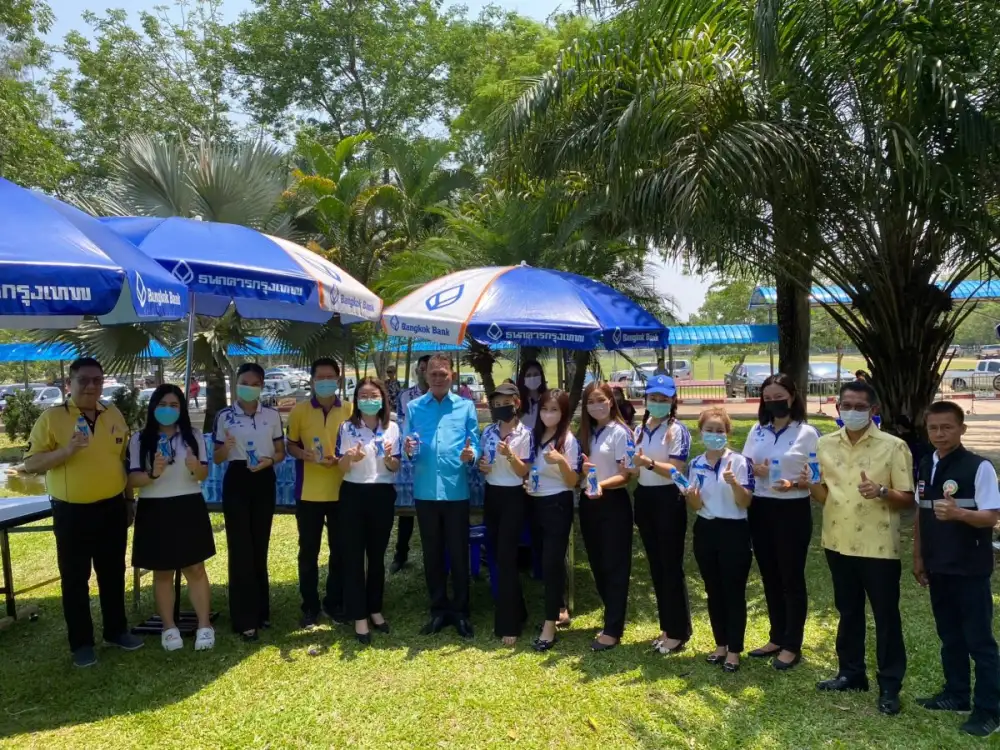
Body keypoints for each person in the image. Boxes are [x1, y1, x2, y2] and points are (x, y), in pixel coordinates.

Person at [23, 357, 143, 667]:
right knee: (75, 578)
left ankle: (116, 631)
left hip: (112, 507)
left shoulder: (113, 413)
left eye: (97, 380)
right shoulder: (52, 418)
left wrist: (128, 500)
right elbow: (32, 463)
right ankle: (81, 644)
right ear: (69, 383)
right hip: (72, 512)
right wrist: (67, 451)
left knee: (113, 572)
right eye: (83, 380)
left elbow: (123, 461)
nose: (91, 386)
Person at [804, 380, 914, 715]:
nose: (851, 411)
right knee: (848, 611)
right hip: (837, 543)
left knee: (885, 616)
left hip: (878, 548)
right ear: (838, 407)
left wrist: (881, 491)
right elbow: (825, 496)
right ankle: (851, 673)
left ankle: (889, 685)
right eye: (846, 405)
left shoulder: (894, 447)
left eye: (859, 406)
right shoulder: (824, 444)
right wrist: (810, 485)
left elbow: (907, 499)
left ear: (873, 410)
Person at [912, 401, 1000, 737]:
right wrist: (919, 558)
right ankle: (956, 694)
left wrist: (960, 514)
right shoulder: (926, 463)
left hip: (969, 568)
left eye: (947, 427)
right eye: (933, 428)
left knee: (980, 642)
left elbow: (991, 517)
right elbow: (921, 514)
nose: (939, 434)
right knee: (950, 636)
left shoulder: (979, 467)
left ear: (962, 429)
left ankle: (989, 710)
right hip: (939, 566)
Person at [127, 384, 215, 652]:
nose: (168, 410)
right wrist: (152, 473)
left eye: (174, 405)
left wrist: (195, 466)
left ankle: (204, 625)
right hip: (154, 508)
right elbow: (132, 479)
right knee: (162, 571)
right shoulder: (140, 439)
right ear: (153, 407)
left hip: (188, 505)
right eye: (163, 404)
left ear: (182, 408)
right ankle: (168, 627)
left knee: (195, 568)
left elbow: (203, 474)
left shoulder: (193, 436)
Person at [741, 373, 819, 670]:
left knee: (791, 577)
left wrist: (794, 484)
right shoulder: (757, 430)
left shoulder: (806, 433)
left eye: (779, 397)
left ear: (792, 397)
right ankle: (776, 637)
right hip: (761, 508)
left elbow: (816, 476)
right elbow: (745, 464)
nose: (773, 402)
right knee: (770, 575)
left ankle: (792, 644)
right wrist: (754, 470)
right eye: (768, 398)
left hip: (792, 510)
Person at [403, 354, 480, 638]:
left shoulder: (465, 406)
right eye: (433, 374)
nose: (437, 378)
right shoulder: (413, 408)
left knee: (459, 553)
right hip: (425, 492)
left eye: (443, 374)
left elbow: (476, 443)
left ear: (452, 376)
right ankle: (438, 609)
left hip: (455, 490)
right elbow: (407, 446)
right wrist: (408, 449)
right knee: (432, 553)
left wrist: (472, 454)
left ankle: (461, 611)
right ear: (425, 376)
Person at [212, 362, 286, 642]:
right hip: (237, 479)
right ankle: (244, 618)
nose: (249, 388)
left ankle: (261, 610)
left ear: (262, 386)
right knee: (240, 548)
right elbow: (217, 457)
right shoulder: (224, 416)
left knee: (259, 546)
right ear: (236, 383)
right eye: (245, 382)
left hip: (264, 478)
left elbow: (280, 451)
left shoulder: (272, 415)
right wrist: (226, 448)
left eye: (255, 384)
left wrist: (270, 461)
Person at [684, 407, 754, 673]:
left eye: (720, 430)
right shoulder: (695, 464)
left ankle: (734, 650)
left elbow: (745, 502)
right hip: (705, 529)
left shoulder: (739, 462)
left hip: (734, 531)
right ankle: (720, 645)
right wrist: (691, 497)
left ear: (727, 433)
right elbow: (696, 505)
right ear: (700, 432)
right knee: (713, 590)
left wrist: (734, 483)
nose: (715, 435)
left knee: (733, 591)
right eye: (709, 430)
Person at [285, 358, 352, 629]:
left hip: (342, 491)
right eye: (320, 377)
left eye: (330, 377)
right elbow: (290, 445)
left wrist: (341, 458)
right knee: (308, 553)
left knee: (340, 551)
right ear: (312, 381)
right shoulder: (299, 411)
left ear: (338, 379)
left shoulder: (349, 409)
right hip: (308, 493)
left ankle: (334, 602)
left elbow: (356, 445)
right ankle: (310, 606)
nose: (325, 382)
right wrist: (304, 455)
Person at [336, 377, 401, 645]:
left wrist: (389, 458)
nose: (369, 400)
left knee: (376, 556)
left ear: (383, 399)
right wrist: (350, 457)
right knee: (354, 557)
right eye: (363, 395)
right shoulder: (347, 427)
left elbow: (395, 466)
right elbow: (340, 466)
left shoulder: (392, 428)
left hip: (382, 495)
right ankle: (359, 616)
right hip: (353, 494)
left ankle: (375, 608)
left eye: (374, 395)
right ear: (356, 400)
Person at [631, 375, 693, 656]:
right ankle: (668, 627)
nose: (657, 403)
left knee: (670, 565)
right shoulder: (640, 429)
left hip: (668, 498)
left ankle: (678, 631)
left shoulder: (676, 430)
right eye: (653, 398)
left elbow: (676, 470)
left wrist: (648, 463)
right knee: (656, 565)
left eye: (663, 399)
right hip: (645, 497)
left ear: (672, 401)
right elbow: (636, 469)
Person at [578, 381, 635, 651]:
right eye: (590, 402)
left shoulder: (621, 432)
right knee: (597, 562)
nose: (596, 406)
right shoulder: (586, 432)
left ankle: (613, 628)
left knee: (615, 565)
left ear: (611, 401)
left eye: (600, 400)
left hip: (612, 502)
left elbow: (626, 475)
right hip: (588, 502)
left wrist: (601, 485)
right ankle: (610, 616)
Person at [525, 389, 581, 651]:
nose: (548, 414)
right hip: (534, 502)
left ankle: (549, 627)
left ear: (563, 413)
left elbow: (573, 481)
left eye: (555, 410)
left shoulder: (567, 440)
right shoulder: (534, 437)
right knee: (542, 560)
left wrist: (561, 461)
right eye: (545, 409)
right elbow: (529, 469)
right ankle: (558, 608)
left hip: (557, 503)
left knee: (552, 562)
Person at [478, 383, 533, 645]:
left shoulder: (526, 434)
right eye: (497, 405)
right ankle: (519, 611)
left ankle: (509, 624)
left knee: (507, 557)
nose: (501, 408)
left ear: (517, 403)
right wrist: (482, 464)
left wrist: (510, 455)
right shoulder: (488, 431)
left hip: (514, 497)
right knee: (496, 556)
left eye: (506, 403)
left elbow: (524, 471)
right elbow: (483, 463)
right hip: (492, 495)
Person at [392, 354, 430, 574]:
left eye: (428, 368)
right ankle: (401, 553)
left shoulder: (442, 394)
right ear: (417, 371)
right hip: (409, 458)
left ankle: (434, 556)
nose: (424, 372)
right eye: (421, 368)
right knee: (406, 509)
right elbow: (400, 423)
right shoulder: (405, 396)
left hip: (431, 457)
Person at [517, 360, 547, 430]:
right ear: (523, 378)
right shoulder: (518, 402)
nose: (532, 378)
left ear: (541, 376)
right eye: (528, 375)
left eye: (536, 374)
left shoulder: (547, 399)